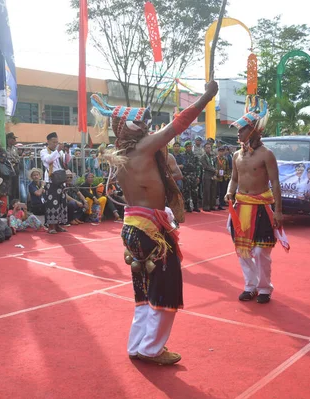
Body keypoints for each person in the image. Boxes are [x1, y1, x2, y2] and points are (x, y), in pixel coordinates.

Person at [103, 81, 218, 365]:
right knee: (165, 289)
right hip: (150, 232)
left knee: (143, 291)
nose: (145, 125)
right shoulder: (143, 148)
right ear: (127, 127)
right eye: (139, 122)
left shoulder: (119, 158)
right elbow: (179, 124)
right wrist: (207, 96)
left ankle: (137, 345)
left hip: (132, 229)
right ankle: (152, 349)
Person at [226, 97, 288, 305]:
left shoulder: (266, 155)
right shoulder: (236, 155)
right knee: (242, 251)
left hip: (261, 208)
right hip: (241, 207)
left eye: (242, 129)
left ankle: (264, 288)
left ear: (253, 131)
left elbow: (276, 184)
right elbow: (233, 179)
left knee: (261, 251)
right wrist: (230, 192)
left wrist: (278, 211)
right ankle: (250, 286)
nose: (238, 132)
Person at [40, 132, 68, 234]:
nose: (55, 144)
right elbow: (48, 160)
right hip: (51, 181)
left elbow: (66, 162)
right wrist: (58, 150)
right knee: (52, 204)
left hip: (60, 180)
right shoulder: (44, 151)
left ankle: (58, 225)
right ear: (48, 141)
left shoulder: (59, 152)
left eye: (57, 142)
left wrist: (67, 151)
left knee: (61, 203)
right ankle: (51, 226)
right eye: (53, 142)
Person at [181, 141, 201, 212]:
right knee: (186, 192)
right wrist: (182, 176)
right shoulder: (182, 155)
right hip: (185, 176)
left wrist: (198, 176)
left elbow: (198, 167)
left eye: (190, 146)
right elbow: (180, 166)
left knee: (194, 192)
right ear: (185, 147)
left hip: (193, 176)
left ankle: (195, 206)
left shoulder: (195, 156)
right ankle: (187, 207)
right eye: (187, 147)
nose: (189, 148)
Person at [200, 142, 217, 212]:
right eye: (207, 147)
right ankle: (206, 206)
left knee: (213, 191)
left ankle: (212, 205)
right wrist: (214, 170)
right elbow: (205, 166)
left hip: (213, 175)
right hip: (206, 174)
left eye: (209, 147)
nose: (208, 149)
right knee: (206, 191)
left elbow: (216, 164)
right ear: (204, 149)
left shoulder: (213, 156)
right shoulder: (202, 157)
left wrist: (216, 173)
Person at [5, 132, 21, 201]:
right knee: (9, 187)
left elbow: (18, 159)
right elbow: (6, 159)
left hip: (15, 168)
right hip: (8, 169)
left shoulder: (15, 149)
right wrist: (12, 160)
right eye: (13, 138)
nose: (15, 140)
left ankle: (14, 203)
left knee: (15, 187)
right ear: (9, 139)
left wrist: (14, 160)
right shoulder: (5, 148)